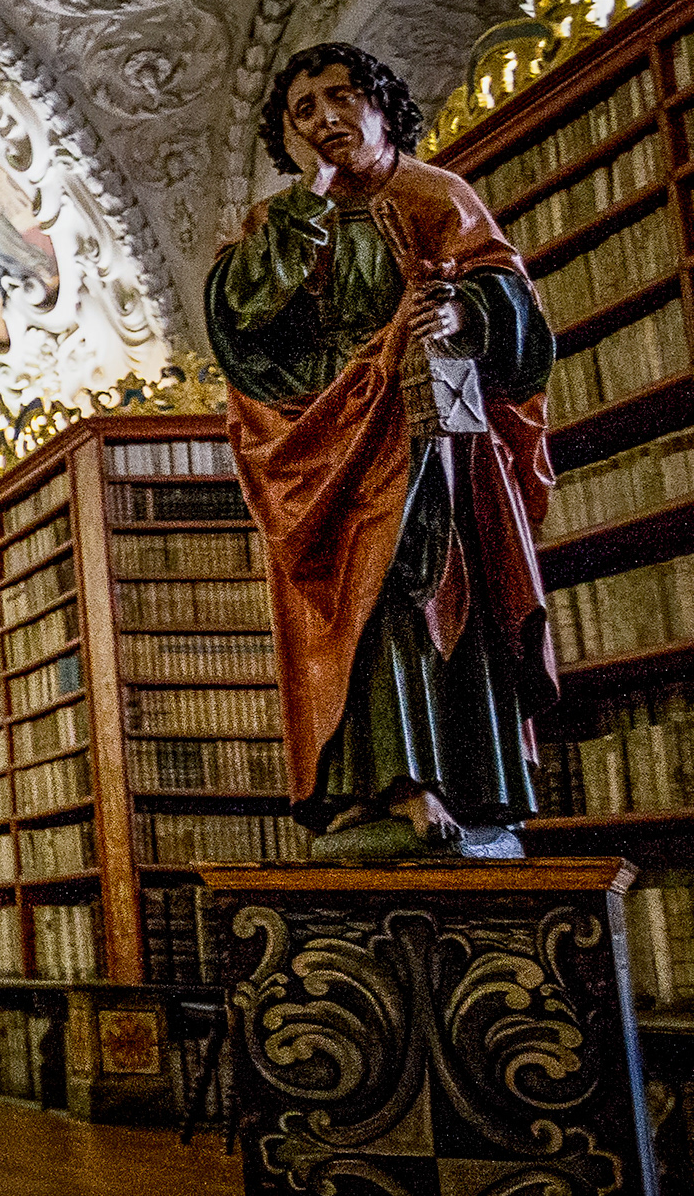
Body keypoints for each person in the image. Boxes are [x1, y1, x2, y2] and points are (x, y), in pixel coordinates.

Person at [205, 44, 556, 860]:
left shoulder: (438, 195)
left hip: (429, 428)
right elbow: (243, 321)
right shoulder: (281, 221)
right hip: (332, 438)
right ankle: (381, 785)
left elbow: (514, 305)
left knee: (428, 582)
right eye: (303, 112)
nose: (327, 118)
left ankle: (468, 779)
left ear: (379, 103)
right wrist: (310, 201)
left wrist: (463, 313)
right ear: (290, 139)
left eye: (340, 97)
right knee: (358, 604)